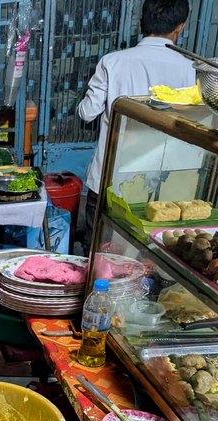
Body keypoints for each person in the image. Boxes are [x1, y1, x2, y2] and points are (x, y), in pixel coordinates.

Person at [77, 0, 193, 253]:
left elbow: (87, 113)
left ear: (140, 24)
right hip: (159, 185)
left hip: (108, 177)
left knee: (96, 249)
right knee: (145, 254)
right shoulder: (190, 68)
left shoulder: (112, 62)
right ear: (180, 27)